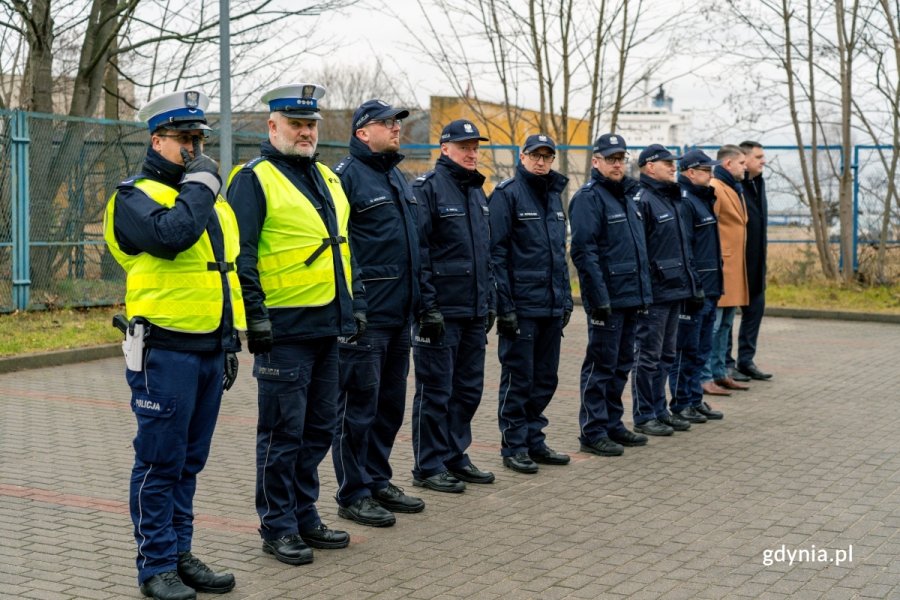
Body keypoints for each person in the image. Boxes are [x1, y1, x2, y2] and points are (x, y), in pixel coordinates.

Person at [104, 90, 242, 600]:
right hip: (163, 351)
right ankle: (154, 565)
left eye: (199, 139)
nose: (194, 148)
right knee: (160, 461)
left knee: (189, 462)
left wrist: (228, 341)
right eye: (185, 139)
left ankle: (180, 554)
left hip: (206, 349)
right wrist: (203, 180)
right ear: (156, 139)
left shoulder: (205, 198)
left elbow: (222, 276)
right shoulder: (133, 196)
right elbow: (173, 237)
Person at [228, 83, 364, 566]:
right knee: (282, 433)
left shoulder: (327, 176)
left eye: (310, 124)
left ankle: (305, 514)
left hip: (328, 325)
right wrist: (254, 320)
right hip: (283, 330)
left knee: (320, 429)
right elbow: (239, 256)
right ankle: (278, 525)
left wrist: (356, 304)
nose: (305, 132)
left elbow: (346, 248)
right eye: (295, 124)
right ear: (273, 126)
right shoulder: (253, 179)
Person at [329, 99, 425, 527]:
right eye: (386, 123)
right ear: (363, 132)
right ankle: (353, 492)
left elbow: (412, 249)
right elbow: (340, 250)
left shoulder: (397, 178)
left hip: (400, 314)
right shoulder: (346, 178)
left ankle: (377, 478)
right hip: (367, 317)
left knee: (389, 406)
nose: (396, 128)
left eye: (397, 123)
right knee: (357, 409)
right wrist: (354, 307)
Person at [411, 118, 496, 493]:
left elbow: (486, 255)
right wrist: (427, 307)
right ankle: (428, 465)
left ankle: (454, 455)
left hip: (474, 311)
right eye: (464, 147)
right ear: (444, 149)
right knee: (435, 392)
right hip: (441, 313)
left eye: (475, 147)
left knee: (467, 390)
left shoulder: (478, 192)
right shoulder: (429, 189)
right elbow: (420, 255)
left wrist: (489, 300)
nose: (472, 153)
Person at [489, 134, 573, 474]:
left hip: (550, 306)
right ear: (521, 157)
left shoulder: (554, 197)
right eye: (534, 156)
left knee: (546, 378)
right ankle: (514, 445)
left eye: (547, 156)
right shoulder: (507, 195)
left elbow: (559, 255)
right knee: (518, 379)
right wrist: (505, 306)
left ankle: (534, 439)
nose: (541, 162)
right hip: (522, 307)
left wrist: (566, 299)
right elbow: (496, 254)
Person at [569, 133, 653, 456]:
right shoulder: (589, 198)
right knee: (601, 366)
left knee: (621, 364)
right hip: (608, 300)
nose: (617, 164)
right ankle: (592, 430)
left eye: (621, 158)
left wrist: (644, 293)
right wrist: (598, 298)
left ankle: (613, 423)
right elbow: (584, 252)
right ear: (596, 161)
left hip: (631, 296)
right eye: (610, 158)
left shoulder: (628, 196)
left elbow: (638, 250)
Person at [631, 144, 704, 436]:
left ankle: (660, 410)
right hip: (656, 293)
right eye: (666, 163)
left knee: (666, 355)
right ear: (649, 167)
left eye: (672, 163)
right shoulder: (643, 199)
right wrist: (645, 292)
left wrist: (692, 285)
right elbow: (640, 251)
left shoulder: (671, 199)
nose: (672, 167)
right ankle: (644, 414)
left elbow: (685, 249)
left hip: (676, 289)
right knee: (648, 356)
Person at [668, 149, 726, 423]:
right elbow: (685, 250)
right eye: (706, 170)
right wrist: (694, 286)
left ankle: (694, 398)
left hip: (711, 287)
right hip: (696, 289)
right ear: (690, 172)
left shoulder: (703, 199)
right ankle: (681, 403)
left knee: (702, 348)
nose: (711, 175)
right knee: (686, 349)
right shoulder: (686, 201)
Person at [707, 145, 751, 393]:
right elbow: (707, 228)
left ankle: (720, 371)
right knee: (714, 325)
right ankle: (708, 376)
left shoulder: (735, 189)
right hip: (721, 267)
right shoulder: (716, 188)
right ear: (727, 165)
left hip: (734, 268)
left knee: (725, 324)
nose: (745, 167)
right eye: (741, 163)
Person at [727, 140, 773, 381]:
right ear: (743, 159)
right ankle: (726, 363)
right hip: (736, 265)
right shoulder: (734, 186)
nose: (763, 161)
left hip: (757, 263)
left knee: (755, 311)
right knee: (726, 318)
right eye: (758, 157)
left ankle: (746, 360)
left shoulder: (759, 184)